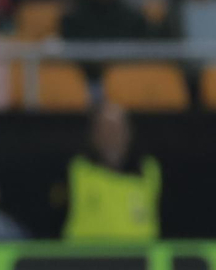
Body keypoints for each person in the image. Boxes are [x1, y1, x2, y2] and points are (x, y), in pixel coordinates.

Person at [63, 103, 160, 242]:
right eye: (105, 129)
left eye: (117, 129)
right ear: (94, 136)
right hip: (89, 260)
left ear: (128, 134)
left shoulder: (149, 171)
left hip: (139, 259)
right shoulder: (78, 170)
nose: (112, 136)